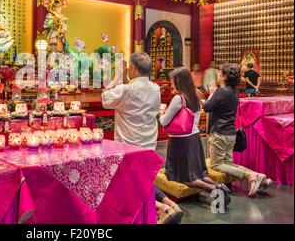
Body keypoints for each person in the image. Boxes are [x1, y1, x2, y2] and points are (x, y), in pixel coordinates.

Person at [102, 52, 183, 224]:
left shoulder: (126, 90)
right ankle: (169, 204)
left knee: (129, 186)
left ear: (132, 68)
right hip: (148, 144)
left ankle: (162, 208)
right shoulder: (155, 88)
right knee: (143, 181)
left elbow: (105, 98)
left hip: (129, 147)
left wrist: (117, 77)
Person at [159, 67, 231, 207]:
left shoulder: (178, 99)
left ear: (178, 82)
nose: (172, 83)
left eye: (173, 81)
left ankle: (214, 189)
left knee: (185, 178)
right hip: (194, 138)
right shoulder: (196, 95)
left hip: (181, 141)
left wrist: (161, 112)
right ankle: (220, 186)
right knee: (198, 173)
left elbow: (164, 121)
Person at [203, 63, 272, 197]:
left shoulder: (221, 92)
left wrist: (211, 93)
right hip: (230, 134)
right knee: (227, 164)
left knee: (216, 164)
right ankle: (258, 176)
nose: (217, 74)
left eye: (220, 73)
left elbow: (206, 107)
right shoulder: (235, 91)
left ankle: (250, 175)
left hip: (219, 134)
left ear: (223, 77)